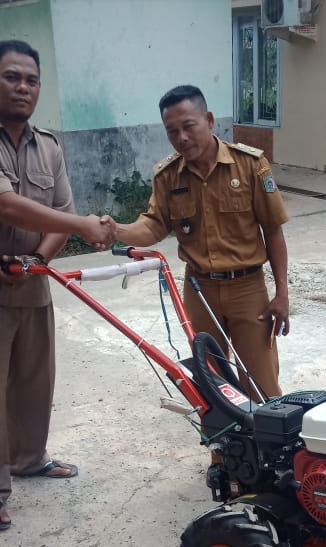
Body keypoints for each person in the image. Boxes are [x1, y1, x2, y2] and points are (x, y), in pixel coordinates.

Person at [0, 39, 116, 532]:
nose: (22, 87)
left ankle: (29, 457)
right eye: (12, 77)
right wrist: (84, 225)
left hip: (30, 283)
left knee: (35, 383)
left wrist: (36, 258)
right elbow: (5, 205)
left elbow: (55, 215)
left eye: (31, 80)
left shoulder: (49, 146)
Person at [113, 85, 290, 400]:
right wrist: (116, 230)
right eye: (172, 131)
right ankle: (224, 452)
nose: (181, 137)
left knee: (261, 387)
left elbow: (273, 230)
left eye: (188, 126)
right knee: (213, 388)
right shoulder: (167, 176)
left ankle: (267, 450)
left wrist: (282, 293)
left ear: (208, 120)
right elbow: (153, 226)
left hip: (247, 290)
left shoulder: (250, 165)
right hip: (199, 290)